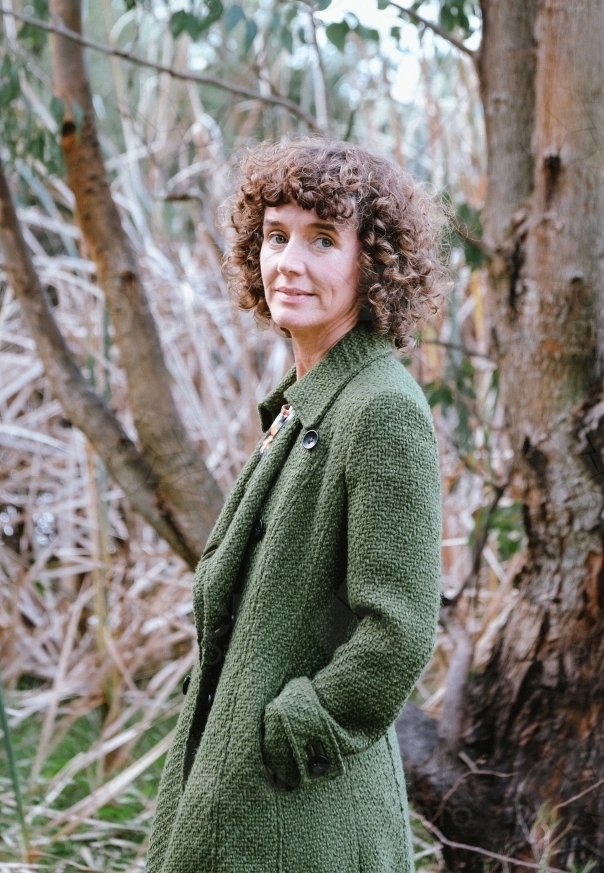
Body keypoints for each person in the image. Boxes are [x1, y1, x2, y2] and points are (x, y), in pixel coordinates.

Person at [146, 138, 449, 873]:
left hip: (302, 814)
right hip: (247, 799)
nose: (289, 261)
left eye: (322, 240)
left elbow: (398, 630)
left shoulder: (381, 410)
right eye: (276, 236)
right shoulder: (306, 403)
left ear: (371, 261)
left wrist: (297, 728)